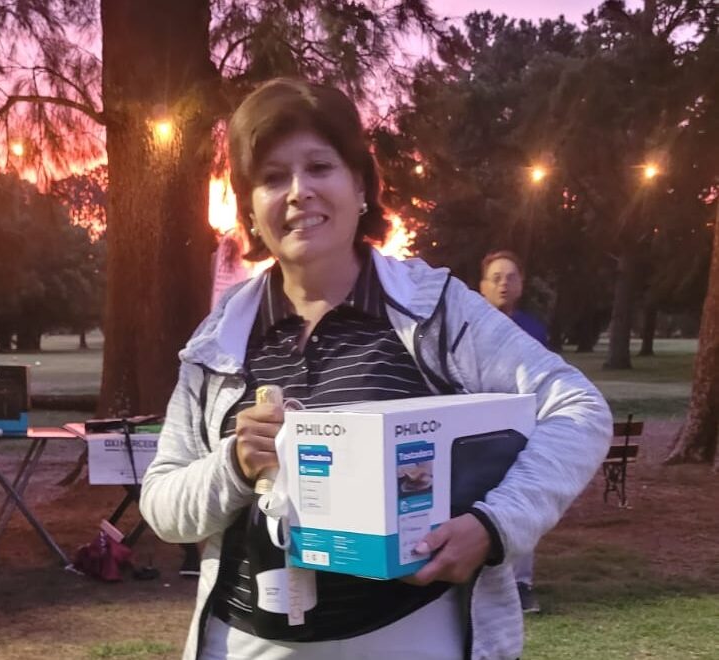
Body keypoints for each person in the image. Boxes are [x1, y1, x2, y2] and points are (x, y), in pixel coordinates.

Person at [140, 78, 611, 660]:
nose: (298, 192)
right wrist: (233, 465)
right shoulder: (220, 340)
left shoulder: (436, 310)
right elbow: (162, 506)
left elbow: (578, 408)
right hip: (246, 644)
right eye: (272, 177)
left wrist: (494, 526)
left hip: (412, 637)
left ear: (360, 184)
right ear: (250, 208)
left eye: (320, 167)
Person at [479, 250, 548, 615]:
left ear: (521, 285)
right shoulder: (468, 327)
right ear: (482, 287)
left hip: (521, 429)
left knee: (521, 503)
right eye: (496, 278)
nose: (503, 284)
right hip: (477, 431)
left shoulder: (533, 331)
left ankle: (521, 583)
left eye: (511, 277)